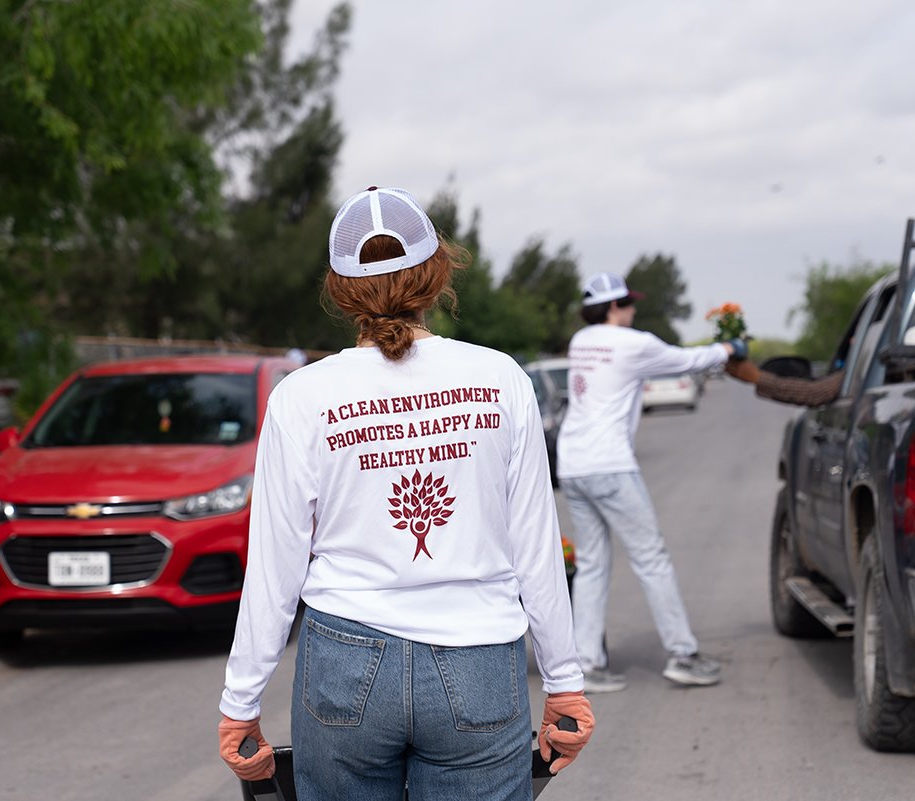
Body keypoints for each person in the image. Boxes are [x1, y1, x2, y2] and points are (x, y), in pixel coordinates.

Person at [217, 186, 594, 801]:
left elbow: (274, 566)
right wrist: (565, 680)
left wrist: (241, 701)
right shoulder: (500, 378)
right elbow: (536, 547)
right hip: (478, 662)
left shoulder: (301, 396)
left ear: (340, 291)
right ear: (437, 272)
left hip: (344, 665)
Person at [555, 272, 747, 692]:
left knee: (591, 564)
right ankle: (682, 654)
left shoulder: (581, 342)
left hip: (573, 465)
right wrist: (729, 347)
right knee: (651, 557)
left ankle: (586, 663)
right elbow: (688, 360)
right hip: (610, 464)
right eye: (626, 303)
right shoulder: (633, 343)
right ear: (612, 307)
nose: (633, 309)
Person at [725, 359, 844, 406]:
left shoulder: (859, 374)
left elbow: (815, 393)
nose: (852, 340)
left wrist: (758, 377)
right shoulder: (858, 375)